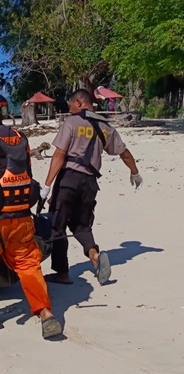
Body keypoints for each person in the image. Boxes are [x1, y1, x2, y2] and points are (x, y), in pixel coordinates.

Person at [0, 92, 62, 339]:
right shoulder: (20, 138)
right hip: (21, 214)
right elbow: (24, 171)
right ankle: (45, 312)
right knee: (27, 262)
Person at [42, 89, 142, 285]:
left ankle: (62, 273)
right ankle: (94, 256)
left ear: (80, 103)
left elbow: (59, 155)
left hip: (68, 179)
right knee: (82, 225)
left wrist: (47, 186)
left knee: (57, 224)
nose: (69, 108)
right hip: (90, 183)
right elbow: (124, 153)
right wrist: (135, 173)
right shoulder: (106, 126)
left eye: (71, 104)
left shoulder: (71, 122)